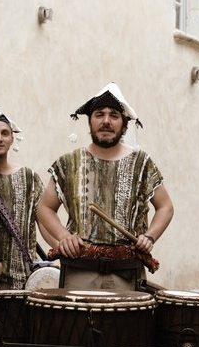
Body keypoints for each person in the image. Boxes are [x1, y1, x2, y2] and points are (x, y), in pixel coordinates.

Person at [37, 83, 173, 290]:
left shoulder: (142, 163)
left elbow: (165, 207)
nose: (106, 121)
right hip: (78, 269)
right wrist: (63, 237)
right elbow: (44, 207)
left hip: (127, 271)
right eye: (99, 114)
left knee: (125, 323)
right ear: (90, 121)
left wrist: (149, 236)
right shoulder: (69, 163)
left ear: (124, 124)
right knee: (78, 323)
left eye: (114, 115)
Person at [0, 106, 44, 290]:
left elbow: (44, 221)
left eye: (5, 133)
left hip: (22, 277)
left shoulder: (29, 177)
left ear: (12, 139)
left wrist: (63, 249)